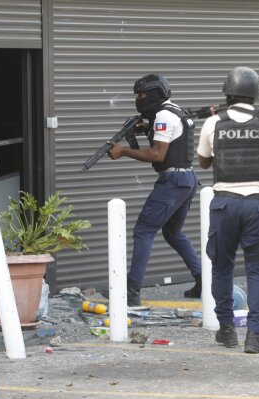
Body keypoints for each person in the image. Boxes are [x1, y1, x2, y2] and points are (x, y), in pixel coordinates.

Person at [196, 66, 259, 353]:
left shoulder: (214, 123)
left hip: (225, 203)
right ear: (255, 92)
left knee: (222, 267)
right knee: (258, 271)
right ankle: (254, 337)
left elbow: (203, 162)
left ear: (227, 92)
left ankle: (226, 331)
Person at [107, 73, 202, 306]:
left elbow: (157, 154)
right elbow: (171, 136)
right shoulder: (173, 111)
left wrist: (123, 151)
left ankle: (131, 291)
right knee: (173, 232)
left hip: (172, 182)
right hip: (187, 179)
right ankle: (204, 280)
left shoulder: (162, 116)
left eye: (141, 94)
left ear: (154, 94)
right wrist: (146, 127)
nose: (138, 99)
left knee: (144, 230)